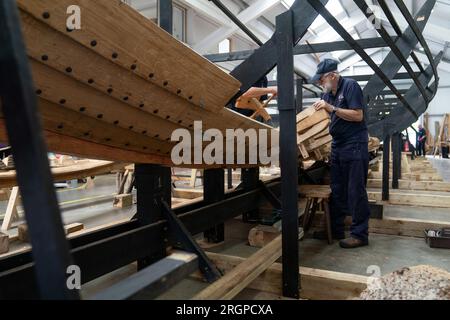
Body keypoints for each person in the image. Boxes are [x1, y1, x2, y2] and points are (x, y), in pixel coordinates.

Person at [310, 59, 371, 249]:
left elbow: (358, 115)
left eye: (321, 80)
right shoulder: (327, 95)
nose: (320, 84)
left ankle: (360, 235)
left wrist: (333, 109)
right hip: (338, 146)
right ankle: (335, 229)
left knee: (355, 190)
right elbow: (325, 119)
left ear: (332, 76)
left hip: (354, 144)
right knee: (337, 189)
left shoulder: (350, 86)